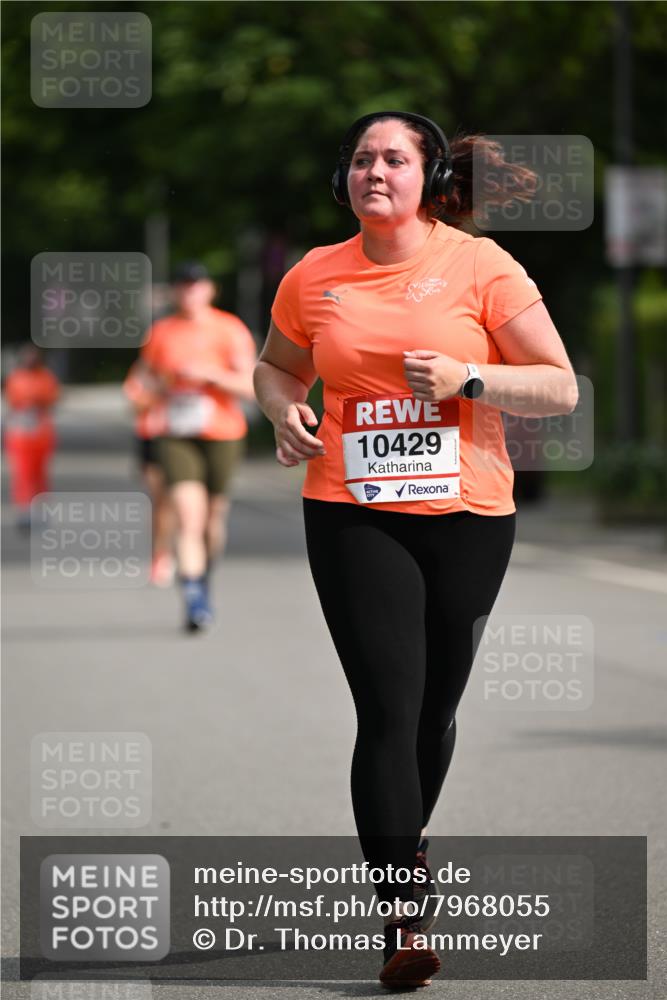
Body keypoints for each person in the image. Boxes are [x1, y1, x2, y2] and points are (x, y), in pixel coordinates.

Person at [254, 111, 579, 989]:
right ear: (344, 180)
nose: (374, 172)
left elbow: (556, 386)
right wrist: (282, 409)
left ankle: (408, 840)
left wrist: (471, 378)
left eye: (393, 158)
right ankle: (402, 917)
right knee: (388, 713)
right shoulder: (313, 276)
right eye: (360, 159)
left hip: (470, 512)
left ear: (428, 176)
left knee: (434, 712)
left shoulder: (480, 266)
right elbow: (277, 366)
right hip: (353, 509)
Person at [141, 261, 256, 632]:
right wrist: (162, 387)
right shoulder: (162, 332)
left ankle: (204, 578)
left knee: (212, 518)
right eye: (183, 285)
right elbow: (143, 383)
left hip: (222, 432)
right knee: (188, 516)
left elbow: (252, 387)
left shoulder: (229, 329)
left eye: (196, 285)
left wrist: (211, 377)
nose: (189, 291)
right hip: (175, 433)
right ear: (175, 291)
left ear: (209, 290)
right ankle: (193, 597)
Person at [122, 359, 175, 587]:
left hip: (182, 437)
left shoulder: (187, 363)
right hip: (151, 438)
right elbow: (134, 405)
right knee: (160, 501)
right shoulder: (141, 369)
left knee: (183, 500)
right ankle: (160, 555)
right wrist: (159, 391)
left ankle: (184, 549)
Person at [3, 344, 60, 530]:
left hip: (41, 435)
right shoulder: (15, 378)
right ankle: (24, 511)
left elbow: (52, 400)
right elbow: (12, 402)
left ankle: (40, 510)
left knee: (39, 474)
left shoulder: (46, 378)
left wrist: (37, 403)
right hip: (20, 435)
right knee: (22, 473)